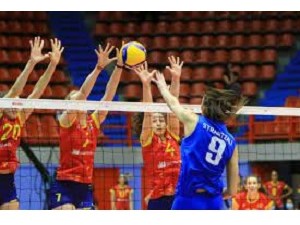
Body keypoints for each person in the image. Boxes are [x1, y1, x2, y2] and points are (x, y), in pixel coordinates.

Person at [152, 69, 247, 210]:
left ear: (204, 107)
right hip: (214, 202)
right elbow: (233, 190)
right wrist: (217, 195)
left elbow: (173, 104)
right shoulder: (231, 142)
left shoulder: (194, 121)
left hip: (187, 199)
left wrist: (162, 87)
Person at [48, 43, 124, 210]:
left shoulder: (94, 121)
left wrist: (118, 67)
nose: (81, 100)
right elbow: (82, 93)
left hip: (85, 185)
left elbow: (109, 95)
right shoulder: (66, 121)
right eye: (75, 99)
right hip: (64, 184)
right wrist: (98, 68)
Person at [0, 37, 64, 210]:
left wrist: (52, 65)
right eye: (11, 103)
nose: (15, 106)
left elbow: (37, 91)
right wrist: (31, 62)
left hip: (7, 180)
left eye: (18, 103)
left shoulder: (20, 117)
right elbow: (15, 90)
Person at [132, 57, 182, 210]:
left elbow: (174, 104)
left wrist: (175, 78)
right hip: (159, 199)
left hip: (179, 196)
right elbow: (148, 112)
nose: (159, 123)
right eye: (155, 121)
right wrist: (146, 85)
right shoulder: (147, 139)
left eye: (161, 120)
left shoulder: (172, 134)